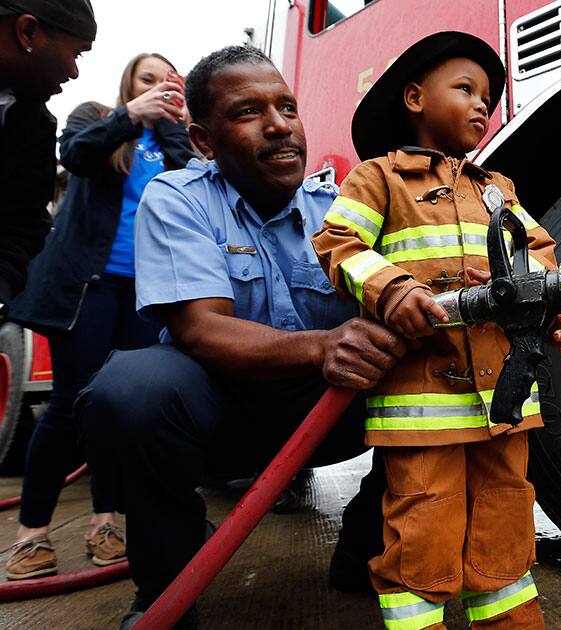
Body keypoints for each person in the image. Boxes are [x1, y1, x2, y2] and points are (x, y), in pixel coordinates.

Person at [74, 45, 401, 628]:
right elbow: (200, 329)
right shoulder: (177, 198)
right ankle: (167, 583)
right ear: (203, 140)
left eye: (287, 107)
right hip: (222, 419)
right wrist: (324, 346)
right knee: (129, 390)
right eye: (249, 112)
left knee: (459, 370)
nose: (279, 125)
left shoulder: (348, 208)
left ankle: (371, 545)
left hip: (328, 412)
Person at [312, 32, 561, 629]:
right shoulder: (378, 179)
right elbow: (337, 242)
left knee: (506, 521)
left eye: (487, 97)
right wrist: (395, 290)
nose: (481, 105)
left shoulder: (497, 190)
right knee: (423, 530)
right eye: (465, 89)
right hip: (421, 407)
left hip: (505, 400)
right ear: (414, 97)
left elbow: (540, 255)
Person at [5, 53, 194, 580]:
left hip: (146, 291)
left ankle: (105, 521)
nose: (159, 88)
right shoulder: (95, 117)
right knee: (70, 403)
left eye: (167, 81)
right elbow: (77, 156)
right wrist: (131, 115)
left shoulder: (176, 139)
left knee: (119, 406)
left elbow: (191, 188)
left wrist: (175, 125)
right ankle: (32, 535)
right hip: (89, 286)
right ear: (130, 85)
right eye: (148, 80)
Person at [0, 0, 95, 319]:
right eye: (77, 53)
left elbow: (21, 223)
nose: (74, 71)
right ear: (27, 31)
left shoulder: (34, 124)